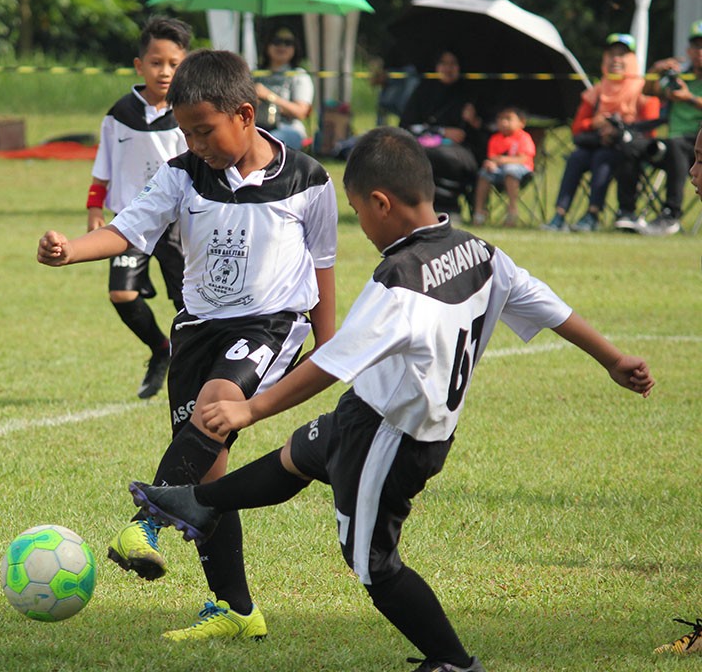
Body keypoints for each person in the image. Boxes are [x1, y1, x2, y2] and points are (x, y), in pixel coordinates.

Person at [127, 126, 655, 671]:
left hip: (394, 437)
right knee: (299, 454)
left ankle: (452, 660)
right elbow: (544, 302)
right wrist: (612, 358)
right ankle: (198, 501)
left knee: (372, 564)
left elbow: (334, 361)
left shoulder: (399, 279)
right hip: (373, 413)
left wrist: (249, 408)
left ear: (381, 203)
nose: (361, 227)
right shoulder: (477, 250)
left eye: (358, 213)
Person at [38, 49, 338, 641]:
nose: (195, 142)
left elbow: (323, 263)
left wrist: (328, 349)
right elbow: (130, 229)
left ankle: (145, 520)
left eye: (204, 130)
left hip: (269, 326)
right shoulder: (182, 173)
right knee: (209, 475)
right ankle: (235, 609)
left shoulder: (308, 179)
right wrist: (72, 248)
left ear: (245, 114)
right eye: (186, 132)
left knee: (215, 408)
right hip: (197, 332)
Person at [87, 16, 192, 399]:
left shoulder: (189, 113)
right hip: (131, 221)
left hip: (179, 223)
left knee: (188, 303)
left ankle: (191, 366)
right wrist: (94, 207)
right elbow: (104, 166)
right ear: (139, 65)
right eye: (156, 62)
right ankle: (159, 349)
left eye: (175, 64)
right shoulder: (119, 115)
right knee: (121, 294)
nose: (165, 72)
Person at [542, 33, 659, 233]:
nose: (616, 60)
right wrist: (596, 123)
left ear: (631, 60)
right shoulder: (597, 89)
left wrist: (621, 127)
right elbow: (577, 127)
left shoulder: (642, 88)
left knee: (603, 158)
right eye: (612, 54)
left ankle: (593, 214)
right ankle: (559, 215)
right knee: (576, 157)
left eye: (622, 55)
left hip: (625, 150)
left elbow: (650, 126)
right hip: (595, 143)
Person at [399, 50, 484, 216]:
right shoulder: (423, 91)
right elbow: (407, 126)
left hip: (464, 153)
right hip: (425, 147)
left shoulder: (470, 92)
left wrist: (473, 121)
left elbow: (487, 131)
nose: (448, 68)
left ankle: (449, 207)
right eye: (443, 63)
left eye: (453, 64)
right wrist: (442, 131)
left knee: (438, 156)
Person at [637, 20, 702, 236]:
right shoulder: (680, 77)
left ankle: (671, 213)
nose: (700, 51)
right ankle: (626, 214)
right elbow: (648, 91)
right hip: (677, 144)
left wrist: (689, 98)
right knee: (630, 147)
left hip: (694, 144)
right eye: (696, 46)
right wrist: (656, 70)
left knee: (676, 146)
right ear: (688, 50)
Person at [470, 106, 536, 227]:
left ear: (521, 122)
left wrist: (504, 160)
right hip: (499, 172)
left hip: (521, 171)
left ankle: (512, 210)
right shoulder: (495, 138)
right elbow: (492, 158)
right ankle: (479, 212)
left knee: (511, 170)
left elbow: (524, 158)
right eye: (500, 119)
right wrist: (491, 164)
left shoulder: (523, 137)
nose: (504, 122)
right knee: (484, 173)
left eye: (509, 119)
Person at [253, 26, 314, 150]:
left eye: (288, 43)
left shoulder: (298, 75)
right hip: (256, 127)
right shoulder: (255, 74)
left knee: (269, 141)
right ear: (267, 45)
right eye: (277, 41)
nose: (282, 47)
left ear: (295, 47)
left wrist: (269, 96)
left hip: (288, 128)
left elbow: (301, 112)